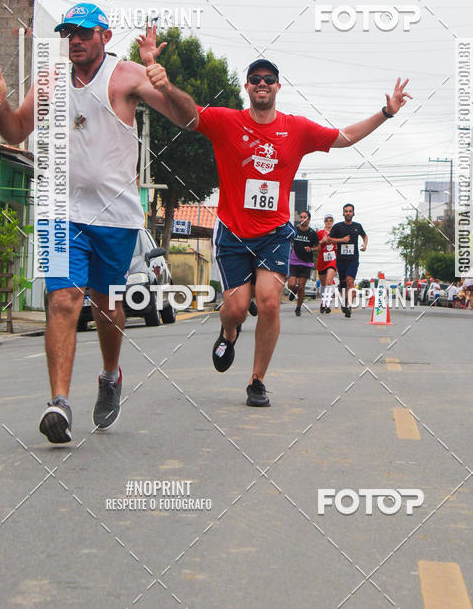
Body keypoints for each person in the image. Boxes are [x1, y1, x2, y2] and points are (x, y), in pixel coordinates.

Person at [139, 26, 411, 407]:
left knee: (268, 301)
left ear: (278, 87)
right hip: (233, 233)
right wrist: (162, 80)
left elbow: (344, 137)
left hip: (274, 233)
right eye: (255, 79)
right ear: (247, 87)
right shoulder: (226, 122)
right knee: (235, 307)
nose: (262, 84)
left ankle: (256, 380)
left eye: (269, 79)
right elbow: (187, 114)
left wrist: (385, 113)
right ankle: (229, 331)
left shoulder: (295, 129)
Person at [0, 4, 197, 443]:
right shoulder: (49, 80)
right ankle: (58, 403)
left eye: (83, 32)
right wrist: (1, 104)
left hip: (116, 218)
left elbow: (188, 118)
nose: (74, 40)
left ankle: (110, 374)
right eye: (68, 33)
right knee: (62, 299)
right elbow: (15, 132)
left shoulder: (127, 76)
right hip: (61, 213)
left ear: (105, 36)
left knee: (106, 305)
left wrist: (165, 81)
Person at [327, 204, 368, 317]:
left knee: (350, 281)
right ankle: (345, 302)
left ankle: (349, 306)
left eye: (350, 211)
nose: (348, 213)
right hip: (341, 260)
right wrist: (342, 240)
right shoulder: (338, 227)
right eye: (346, 211)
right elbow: (329, 239)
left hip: (353, 259)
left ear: (353, 213)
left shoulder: (357, 226)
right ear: (343, 213)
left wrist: (364, 245)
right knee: (343, 284)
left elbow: (365, 236)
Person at [287, 210, 318, 316]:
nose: (302, 219)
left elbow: (318, 246)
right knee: (291, 284)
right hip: (294, 261)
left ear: (309, 219)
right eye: (301, 217)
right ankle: (293, 290)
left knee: (301, 286)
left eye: (305, 217)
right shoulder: (295, 231)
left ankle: (298, 307)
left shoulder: (312, 233)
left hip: (306, 263)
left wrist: (311, 249)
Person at [317, 214, 338, 314]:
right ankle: (323, 301)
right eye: (327, 220)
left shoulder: (337, 232)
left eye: (330, 220)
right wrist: (322, 241)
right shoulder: (320, 233)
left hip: (333, 260)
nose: (329, 222)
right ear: (324, 222)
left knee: (329, 281)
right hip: (322, 260)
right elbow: (315, 246)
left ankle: (326, 303)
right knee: (323, 283)